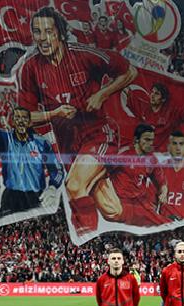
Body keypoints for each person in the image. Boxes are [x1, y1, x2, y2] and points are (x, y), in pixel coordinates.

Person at [17, 6, 138, 236]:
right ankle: (140, 221)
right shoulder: (30, 68)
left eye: (48, 31)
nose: (42, 38)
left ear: (60, 33)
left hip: (98, 133)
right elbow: (22, 118)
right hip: (68, 145)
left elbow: (130, 72)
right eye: (37, 32)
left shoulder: (84, 55)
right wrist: (54, 114)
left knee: (73, 186)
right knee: (113, 210)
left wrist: (102, 94)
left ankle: (85, 246)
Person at [93, 123, 167, 226]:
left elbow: (162, 182)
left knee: (162, 224)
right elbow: (101, 170)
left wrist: (163, 192)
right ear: (136, 140)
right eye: (147, 140)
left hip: (140, 203)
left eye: (152, 140)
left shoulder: (152, 159)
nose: (150, 143)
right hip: (122, 203)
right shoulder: (124, 155)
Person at [126, 82, 184, 151]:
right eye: (152, 92)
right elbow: (127, 92)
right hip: (141, 151)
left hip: (159, 154)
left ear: (163, 99)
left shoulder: (170, 113)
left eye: (156, 94)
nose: (152, 95)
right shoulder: (143, 107)